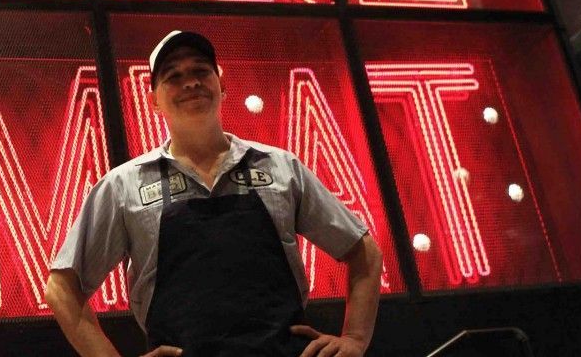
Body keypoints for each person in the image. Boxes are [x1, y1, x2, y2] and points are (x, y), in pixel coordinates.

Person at [46, 30, 383, 357]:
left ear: (222, 84)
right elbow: (61, 289)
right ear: (153, 101)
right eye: (173, 76)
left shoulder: (282, 168)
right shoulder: (124, 186)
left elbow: (364, 251)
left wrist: (355, 338)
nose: (190, 82)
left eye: (200, 71)